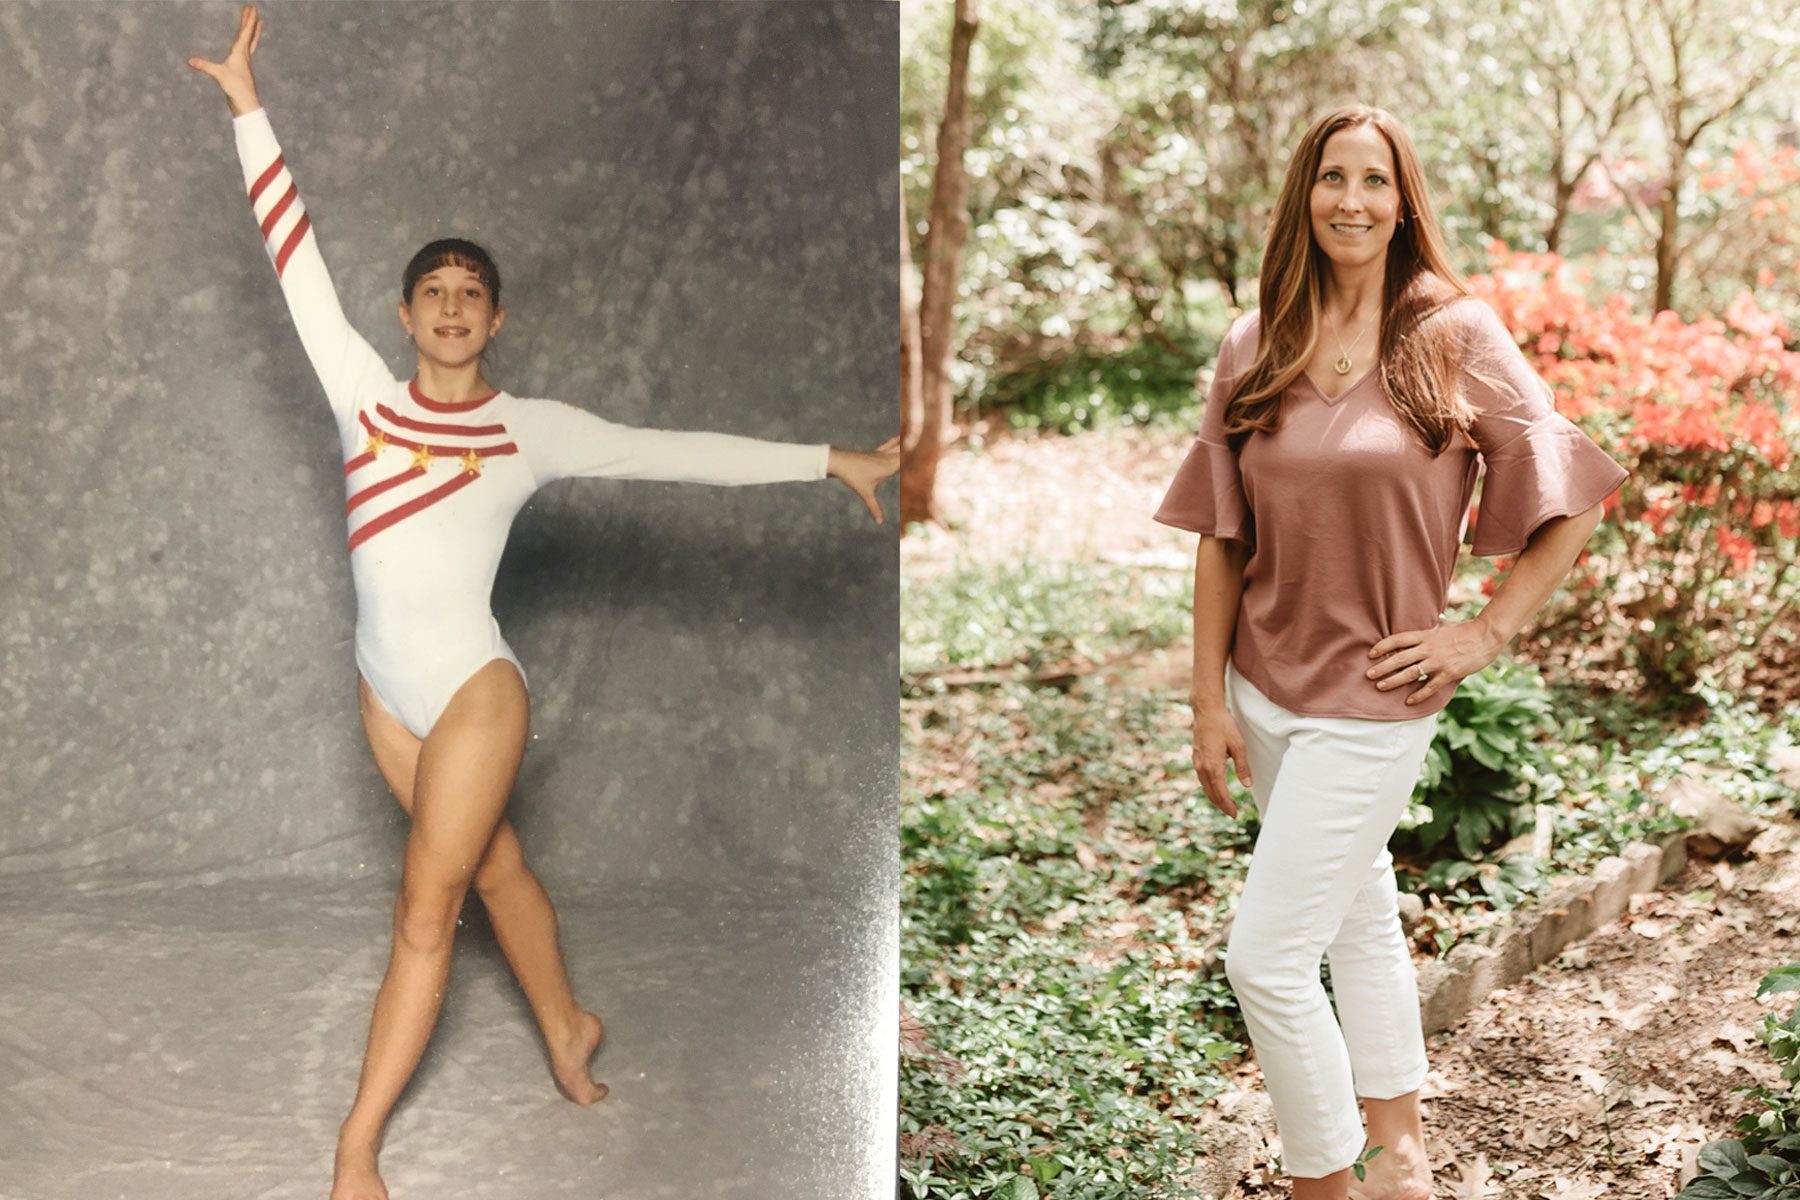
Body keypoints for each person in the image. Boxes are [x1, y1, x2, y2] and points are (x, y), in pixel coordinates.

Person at [188, 8, 898, 1199]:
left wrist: (833, 459)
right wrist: (250, 108)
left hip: (475, 690)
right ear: (406, 316)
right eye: (433, 290)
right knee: (500, 864)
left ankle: (354, 1149)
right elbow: (293, 257)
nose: (453, 305)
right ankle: (566, 1024)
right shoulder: (361, 396)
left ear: (496, 318)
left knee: (431, 907)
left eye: (473, 291)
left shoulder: (535, 431)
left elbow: (679, 451)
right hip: (385, 695)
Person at [1154, 104, 1627, 1200]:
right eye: (1332, 178)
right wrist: (1206, 704)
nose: (1352, 201)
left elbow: (1576, 495)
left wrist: (1487, 631)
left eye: (1375, 180)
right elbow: (1225, 538)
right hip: (1263, 688)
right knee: (1359, 904)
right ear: (1303, 196)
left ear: (1404, 200)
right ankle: (1399, 1141)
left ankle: (1324, 1184)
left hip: (1375, 698)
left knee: (1264, 960)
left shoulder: (1455, 333)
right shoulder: (1253, 339)